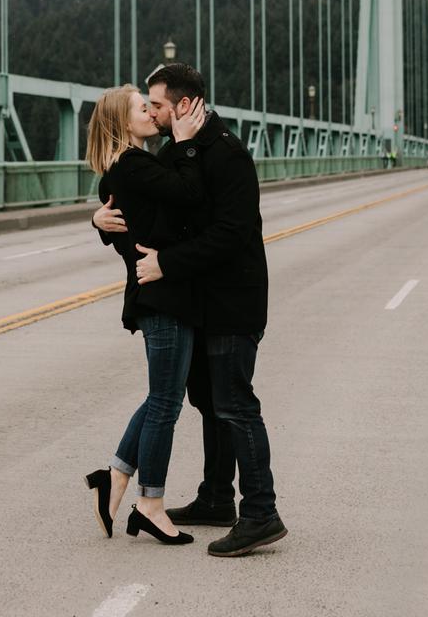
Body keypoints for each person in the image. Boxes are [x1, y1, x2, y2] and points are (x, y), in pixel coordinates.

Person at [94, 63, 288, 558]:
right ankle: (216, 499)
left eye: (156, 104)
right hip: (199, 300)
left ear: (183, 106)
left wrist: (166, 264)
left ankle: (260, 513)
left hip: (231, 301)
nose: (152, 113)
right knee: (207, 402)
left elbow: (228, 234)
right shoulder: (180, 149)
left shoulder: (226, 155)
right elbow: (147, 206)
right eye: (147, 106)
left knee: (235, 405)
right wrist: (100, 220)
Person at [82, 84, 207, 546]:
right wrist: (188, 142)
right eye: (142, 108)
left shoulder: (127, 169)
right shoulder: (132, 165)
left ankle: (112, 478)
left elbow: (136, 211)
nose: (152, 113)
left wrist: (97, 222)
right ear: (122, 122)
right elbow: (188, 194)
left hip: (159, 294)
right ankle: (149, 504)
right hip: (163, 296)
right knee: (165, 404)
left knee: (161, 397)